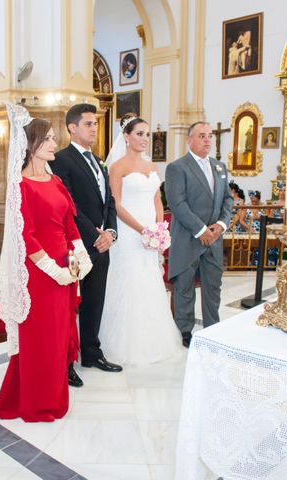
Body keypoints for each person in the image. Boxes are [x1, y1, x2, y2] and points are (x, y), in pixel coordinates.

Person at [0, 104, 92, 422]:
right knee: (42, 339)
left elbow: (69, 224)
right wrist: (53, 270)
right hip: (39, 274)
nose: (53, 143)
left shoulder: (55, 181)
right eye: (47, 139)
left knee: (59, 336)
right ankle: (37, 403)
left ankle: (55, 397)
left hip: (65, 268)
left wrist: (80, 258)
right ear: (31, 145)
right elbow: (26, 236)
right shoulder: (21, 187)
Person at [99, 115, 181, 365]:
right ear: (126, 136)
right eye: (139, 134)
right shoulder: (118, 167)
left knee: (150, 280)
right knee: (129, 281)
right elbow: (116, 204)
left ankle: (153, 340)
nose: (144, 139)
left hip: (151, 232)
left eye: (147, 134)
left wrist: (159, 228)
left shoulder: (152, 167)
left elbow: (157, 199)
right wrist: (143, 230)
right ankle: (122, 344)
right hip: (128, 232)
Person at [51, 103, 122, 388]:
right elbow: (70, 205)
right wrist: (94, 234)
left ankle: (91, 353)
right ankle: (66, 361)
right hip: (77, 245)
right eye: (89, 124)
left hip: (102, 244)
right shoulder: (61, 160)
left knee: (96, 301)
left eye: (95, 124)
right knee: (70, 305)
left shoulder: (98, 160)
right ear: (72, 127)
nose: (94, 128)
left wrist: (111, 232)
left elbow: (110, 201)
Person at [164, 121, 233, 348]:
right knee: (184, 288)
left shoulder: (220, 167)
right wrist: (201, 230)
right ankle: (184, 330)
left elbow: (227, 200)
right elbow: (177, 203)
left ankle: (213, 328)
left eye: (209, 136)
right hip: (188, 237)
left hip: (214, 239)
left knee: (213, 286)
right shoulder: (178, 167)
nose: (207, 140)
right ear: (190, 140)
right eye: (202, 136)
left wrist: (221, 225)